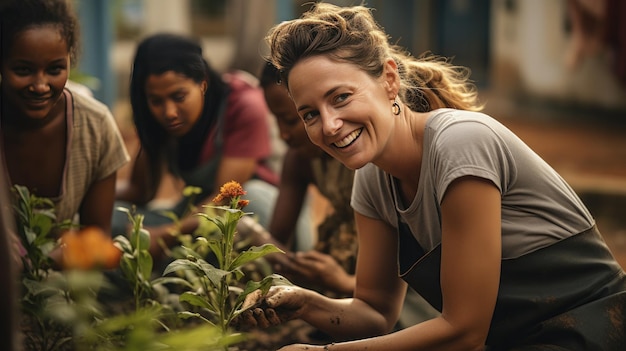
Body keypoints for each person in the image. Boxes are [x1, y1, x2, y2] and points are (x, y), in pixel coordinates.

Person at [236, 3, 626, 350]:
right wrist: (305, 302)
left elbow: (464, 331)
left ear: (389, 80)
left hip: (593, 331)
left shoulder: (459, 144)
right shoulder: (373, 179)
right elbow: (374, 313)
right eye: (310, 114)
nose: (330, 125)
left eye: (340, 97)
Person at [113, 33, 280, 258]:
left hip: (253, 218)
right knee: (113, 219)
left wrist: (164, 235)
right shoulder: (157, 119)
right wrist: (84, 193)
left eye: (179, 96)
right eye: (156, 101)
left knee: (243, 207)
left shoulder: (243, 105)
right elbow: (139, 191)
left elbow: (226, 198)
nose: (169, 112)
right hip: (194, 218)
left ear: (203, 83)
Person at [0, 0, 130, 238]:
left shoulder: (95, 127)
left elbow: (95, 238)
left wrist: (53, 259)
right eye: (23, 70)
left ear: (70, 60)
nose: (40, 86)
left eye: (55, 69)